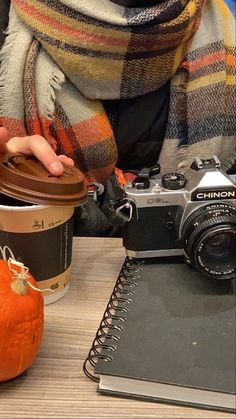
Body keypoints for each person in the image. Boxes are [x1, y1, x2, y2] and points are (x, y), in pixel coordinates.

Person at [0, 0, 235, 235]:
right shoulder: (7, 19)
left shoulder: (220, 28)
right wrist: (8, 176)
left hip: (185, 255)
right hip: (48, 254)